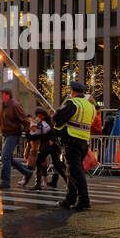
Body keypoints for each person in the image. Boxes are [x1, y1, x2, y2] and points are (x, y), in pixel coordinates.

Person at [52, 79, 95, 210]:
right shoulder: (90, 106)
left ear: (72, 91)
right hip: (83, 142)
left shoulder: (72, 102)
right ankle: (70, 199)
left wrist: (56, 117)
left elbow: (58, 119)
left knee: (75, 172)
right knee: (72, 171)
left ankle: (84, 199)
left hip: (71, 140)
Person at [0, 89, 32, 190]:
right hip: (6, 134)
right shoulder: (2, 105)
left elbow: (24, 120)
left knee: (5, 157)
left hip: (13, 134)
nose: (1, 97)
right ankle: (27, 172)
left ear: (8, 95)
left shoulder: (15, 105)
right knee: (8, 158)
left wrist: (28, 134)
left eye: (2, 95)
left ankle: (5, 181)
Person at [28, 108, 64, 190]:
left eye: (39, 115)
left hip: (48, 146)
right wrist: (31, 135)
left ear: (42, 115)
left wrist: (52, 139)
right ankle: (38, 184)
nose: (38, 117)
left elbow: (50, 133)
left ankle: (38, 185)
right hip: (50, 146)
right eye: (37, 115)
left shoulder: (46, 123)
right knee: (56, 166)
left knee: (41, 163)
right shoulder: (45, 122)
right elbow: (40, 134)